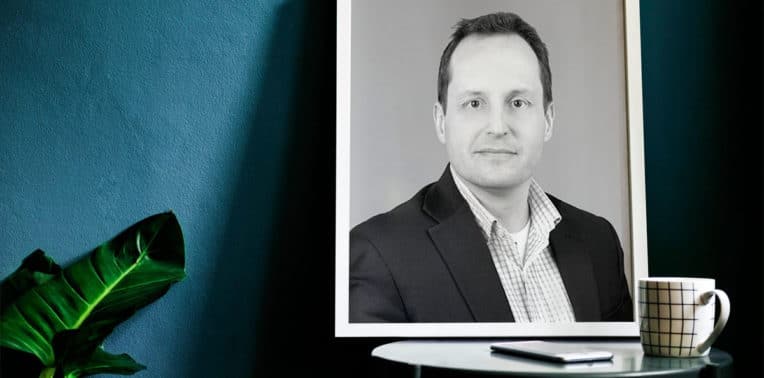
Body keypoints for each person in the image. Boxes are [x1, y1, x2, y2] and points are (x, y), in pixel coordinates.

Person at [349, 12, 633, 323]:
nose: (497, 127)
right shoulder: (378, 253)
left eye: (518, 102)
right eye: (474, 103)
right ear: (441, 121)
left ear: (548, 120)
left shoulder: (599, 242)